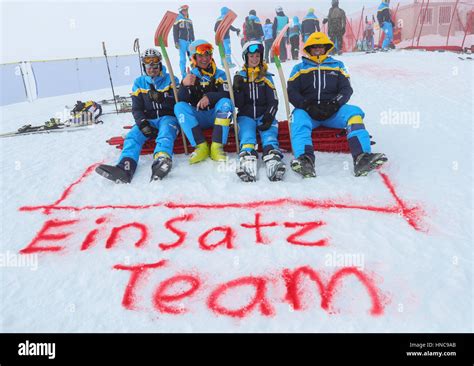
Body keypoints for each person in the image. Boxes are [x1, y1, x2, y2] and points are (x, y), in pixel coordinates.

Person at [287, 32, 387, 178]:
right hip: (308, 111)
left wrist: (335, 103)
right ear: (308, 49)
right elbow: (292, 92)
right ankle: (304, 160)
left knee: (354, 113)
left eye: (321, 47)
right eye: (314, 47)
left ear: (326, 48)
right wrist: (306, 105)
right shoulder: (299, 68)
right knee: (298, 119)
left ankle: (362, 157)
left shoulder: (338, 66)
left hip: (333, 111)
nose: (317, 50)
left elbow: (346, 89)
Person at [95, 48, 180, 183]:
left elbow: (179, 100)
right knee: (133, 136)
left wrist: (163, 98)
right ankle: (125, 168)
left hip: (167, 117)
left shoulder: (171, 79)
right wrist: (143, 123)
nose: (151, 67)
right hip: (149, 119)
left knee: (165, 133)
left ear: (160, 64)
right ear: (143, 65)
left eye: (154, 63)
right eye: (148, 63)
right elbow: (137, 108)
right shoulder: (139, 83)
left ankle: (161, 161)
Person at [174, 40, 234, 164]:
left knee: (226, 103)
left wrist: (209, 97)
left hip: (215, 115)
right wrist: (184, 85)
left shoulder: (220, 74)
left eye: (207, 55)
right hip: (198, 116)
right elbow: (182, 100)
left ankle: (217, 147)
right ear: (194, 58)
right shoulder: (190, 76)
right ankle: (201, 147)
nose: (205, 59)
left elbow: (227, 94)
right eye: (201, 56)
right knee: (179, 107)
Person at [233, 41, 285, 182]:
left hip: (264, 114)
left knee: (269, 135)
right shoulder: (240, 76)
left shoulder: (266, 76)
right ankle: (247, 158)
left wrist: (269, 116)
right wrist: (237, 89)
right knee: (247, 136)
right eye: (251, 56)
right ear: (246, 58)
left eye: (257, 56)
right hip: (246, 116)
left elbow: (273, 100)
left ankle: (273, 158)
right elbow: (238, 104)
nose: (255, 59)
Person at [173, 4, 195, 78]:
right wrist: (176, 41)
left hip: (189, 41)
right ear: (181, 11)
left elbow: (192, 31)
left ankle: (195, 70)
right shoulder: (178, 19)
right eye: (184, 10)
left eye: (186, 10)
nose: (185, 12)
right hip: (181, 41)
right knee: (182, 58)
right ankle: (183, 73)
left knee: (192, 56)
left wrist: (193, 41)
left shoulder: (189, 20)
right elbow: (175, 31)